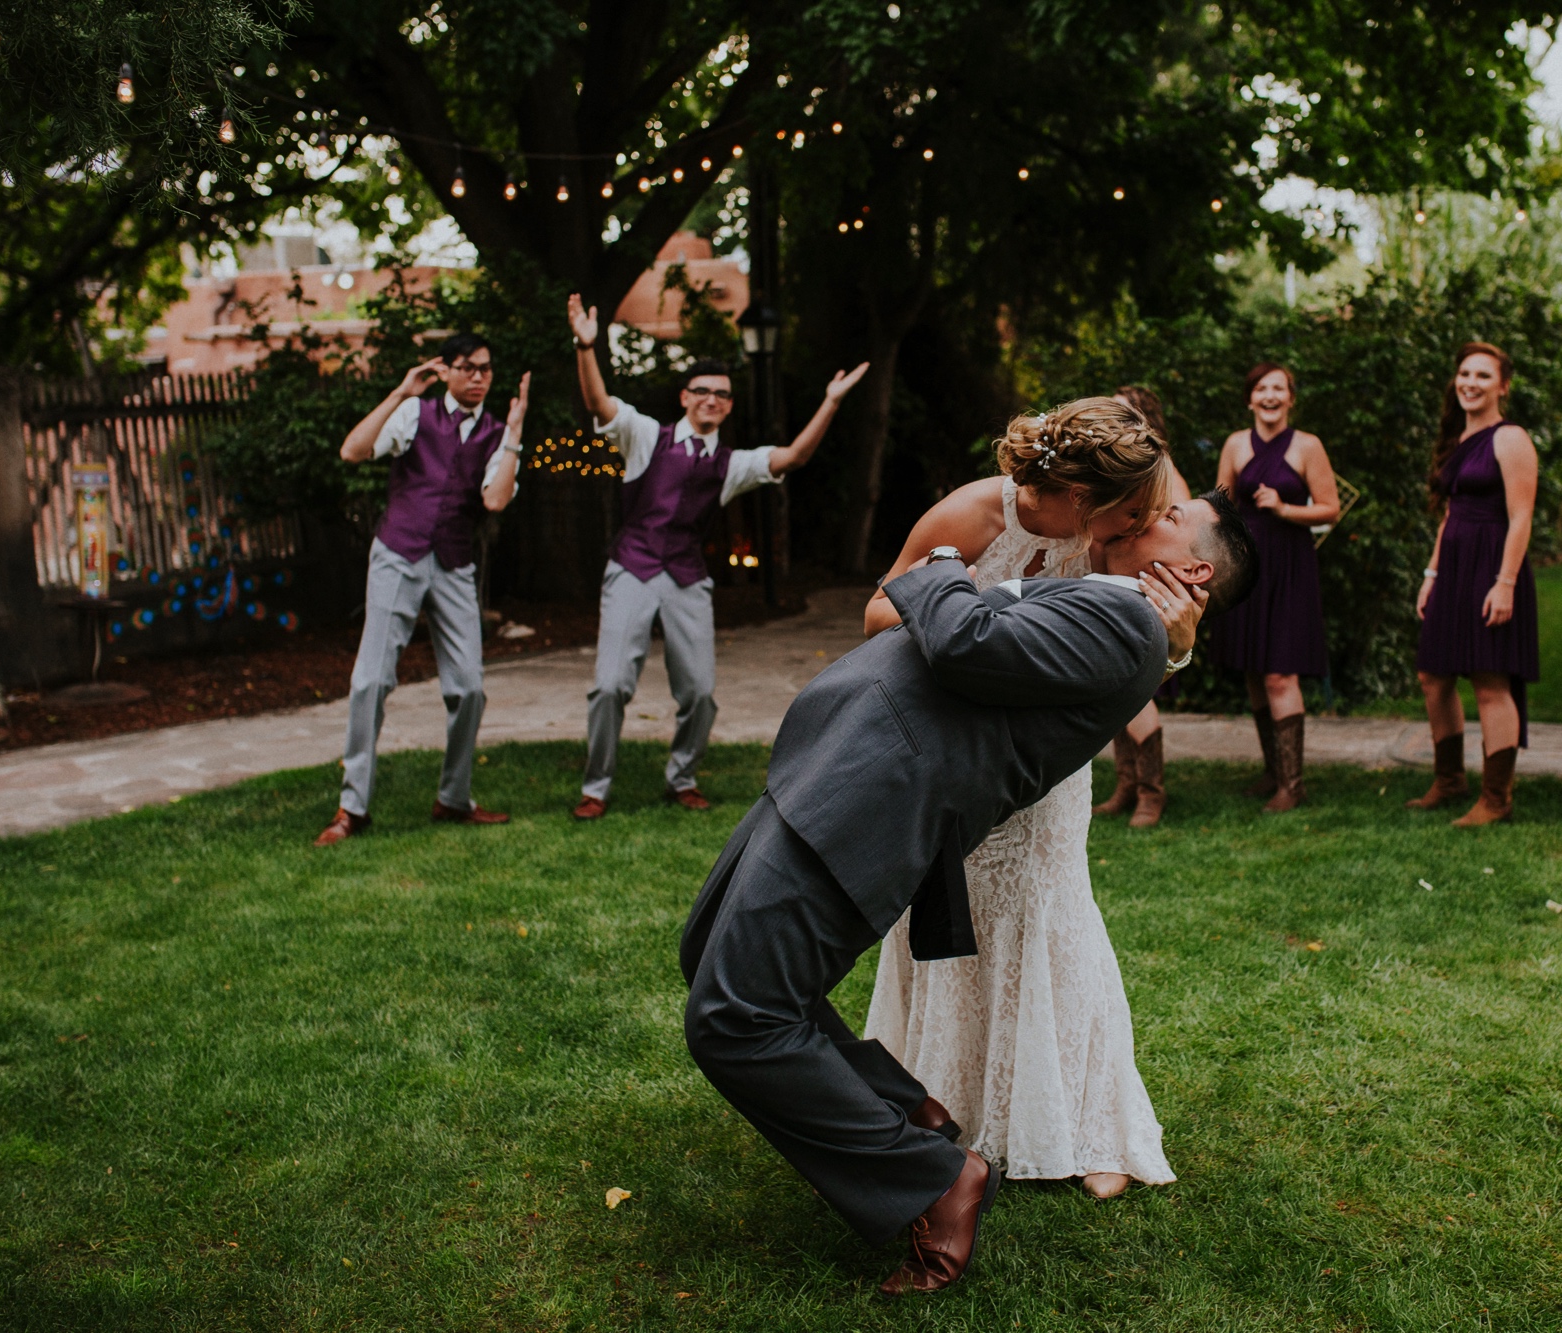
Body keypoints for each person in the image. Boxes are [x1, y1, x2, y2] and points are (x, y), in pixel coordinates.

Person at [680, 490, 1257, 1295]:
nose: (1149, 508)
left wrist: (945, 568)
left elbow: (962, 637)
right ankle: (908, 1110)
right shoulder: (1084, 570)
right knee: (708, 955)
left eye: (1168, 512)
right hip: (836, 765)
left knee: (735, 1017)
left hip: (872, 793)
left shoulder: (1128, 616)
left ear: (1189, 567)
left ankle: (931, 1174)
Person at [861, 398, 1183, 1204]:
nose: (1142, 522)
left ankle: (1091, 1121)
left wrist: (1177, 640)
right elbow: (876, 613)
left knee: (1055, 915)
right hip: (954, 748)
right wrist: (972, 610)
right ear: (1081, 494)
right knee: (947, 917)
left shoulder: (1111, 532)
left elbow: (1143, 636)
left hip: (1047, 766)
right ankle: (944, 1104)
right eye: (1130, 509)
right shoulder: (976, 510)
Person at [565, 293, 867, 818]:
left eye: (721, 394)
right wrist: (585, 346)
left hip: (685, 576)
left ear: (729, 405)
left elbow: (793, 456)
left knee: (701, 693)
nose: (711, 399)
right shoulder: (644, 437)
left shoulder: (731, 464)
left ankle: (681, 776)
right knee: (610, 685)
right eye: (701, 390)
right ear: (684, 397)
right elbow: (598, 403)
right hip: (632, 569)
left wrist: (832, 401)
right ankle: (596, 788)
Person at [314, 334, 530, 847]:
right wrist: (399, 393)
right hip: (398, 554)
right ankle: (353, 808)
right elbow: (353, 450)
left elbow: (496, 501)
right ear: (447, 372)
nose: (478, 377)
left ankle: (454, 798)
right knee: (371, 681)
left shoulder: (500, 433)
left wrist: (517, 432)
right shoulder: (416, 414)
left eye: (486, 369)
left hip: (453, 564)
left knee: (470, 689)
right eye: (467, 368)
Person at [1409, 342, 1539, 826]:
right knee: (1433, 675)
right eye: (1464, 373)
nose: (1470, 383)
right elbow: (1450, 515)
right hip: (1454, 568)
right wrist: (1431, 574)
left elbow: (1522, 516)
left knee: (1489, 680)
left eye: (1483, 376)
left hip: (1492, 566)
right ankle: (1449, 780)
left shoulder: (1511, 439)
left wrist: (1505, 583)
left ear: (1502, 386)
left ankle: (1497, 799)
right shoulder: (1459, 438)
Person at [1205, 363, 1340, 812]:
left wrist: (1283, 509)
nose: (1269, 395)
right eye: (1261, 388)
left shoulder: (1308, 446)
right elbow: (1217, 506)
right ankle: (1273, 772)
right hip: (1245, 565)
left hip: (1289, 564)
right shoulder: (1235, 444)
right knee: (1253, 668)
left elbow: (1330, 509)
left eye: (1278, 388)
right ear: (1249, 399)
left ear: (1290, 398)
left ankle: (1293, 785)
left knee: (1281, 669)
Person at [1093, 384, 1190, 827]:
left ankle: (1152, 791)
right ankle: (1127, 785)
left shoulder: (1163, 469)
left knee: (1134, 688)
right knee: (1113, 682)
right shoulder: (1122, 469)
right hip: (1114, 580)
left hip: (1146, 585)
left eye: (1125, 413)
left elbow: (1180, 536)